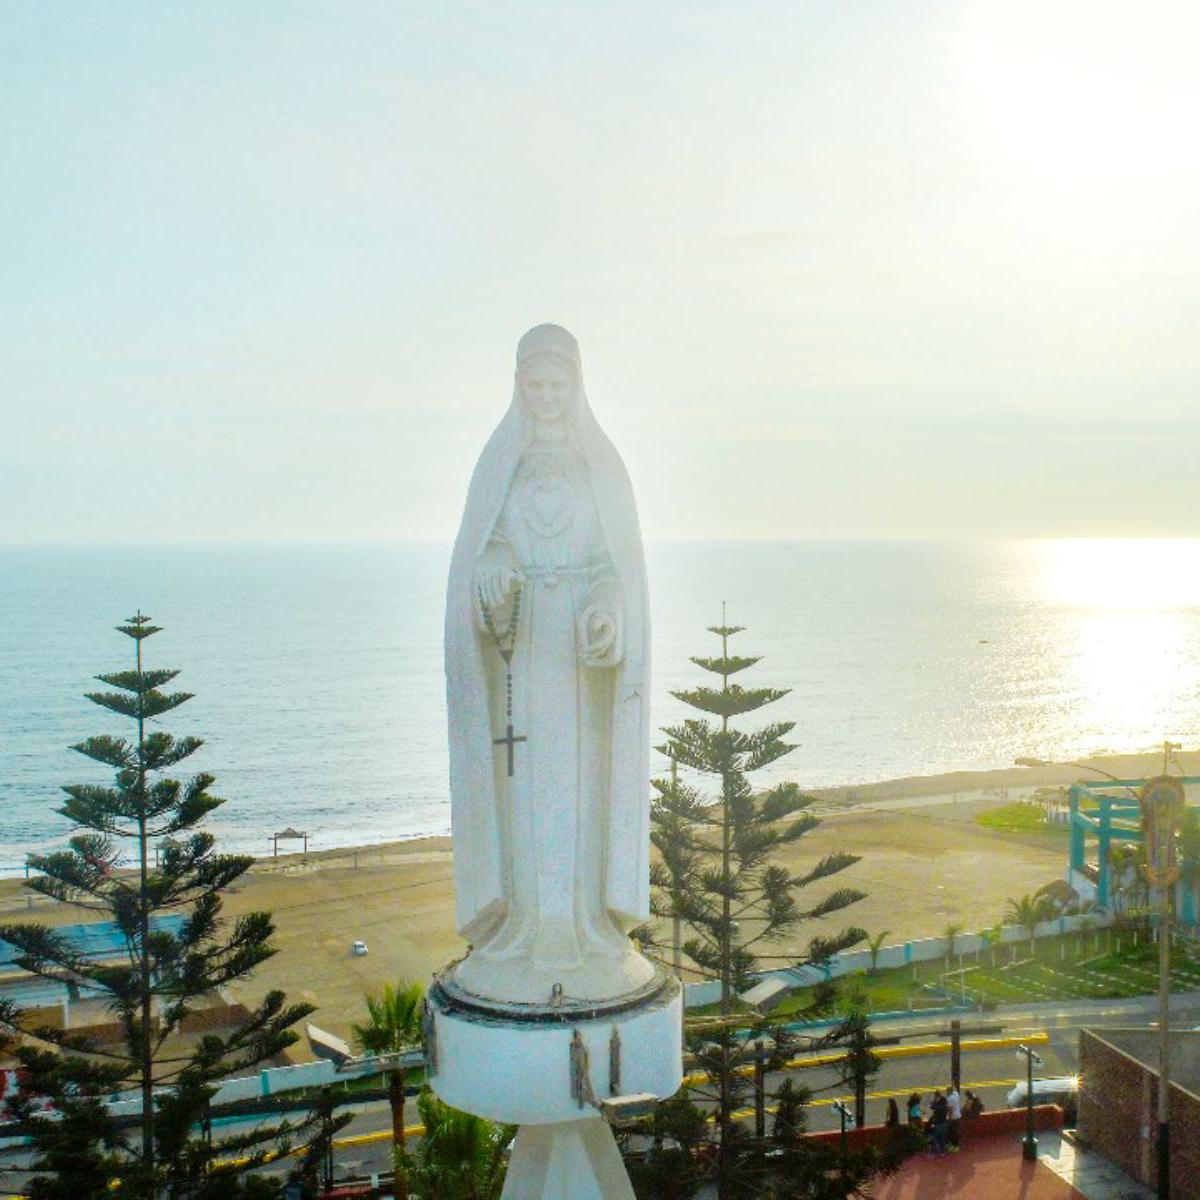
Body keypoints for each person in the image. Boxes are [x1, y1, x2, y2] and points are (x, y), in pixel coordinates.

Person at [928, 1089, 949, 1156]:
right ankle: (943, 1151)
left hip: (939, 1123)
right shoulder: (944, 1102)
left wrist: (934, 1102)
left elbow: (933, 1107)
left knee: (936, 1137)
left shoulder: (938, 1106)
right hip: (944, 1122)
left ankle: (935, 1151)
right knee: (942, 1137)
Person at [946, 1081, 963, 1151]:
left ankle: (955, 1146)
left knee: (952, 1132)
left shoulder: (950, 1099)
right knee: (956, 1131)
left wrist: (949, 1119)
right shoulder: (956, 1094)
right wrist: (953, 1084)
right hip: (958, 1115)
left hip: (953, 1117)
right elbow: (955, 1089)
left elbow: (950, 1110)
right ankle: (956, 1144)